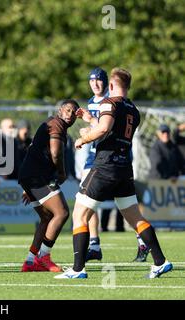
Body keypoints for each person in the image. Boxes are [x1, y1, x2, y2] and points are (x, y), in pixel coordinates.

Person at [56, 68, 173, 279]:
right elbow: (112, 130)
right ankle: (160, 261)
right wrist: (92, 121)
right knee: (135, 217)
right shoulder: (133, 110)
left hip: (105, 165)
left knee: (79, 215)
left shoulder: (109, 103)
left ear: (111, 86)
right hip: (123, 167)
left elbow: (103, 130)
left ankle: (77, 269)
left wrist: (84, 138)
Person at [19, 99, 80, 272]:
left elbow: (35, 149)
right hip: (37, 177)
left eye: (74, 112)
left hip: (29, 176)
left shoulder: (52, 123)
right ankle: (44, 257)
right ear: (60, 111)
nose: (71, 114)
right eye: (68, 110)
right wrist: (62, 172)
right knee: (62, 213)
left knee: (47, 217)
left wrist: (27, 186)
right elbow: (55, 152)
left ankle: (30, 261)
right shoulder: (56, 124)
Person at [80, 68, 126, 265]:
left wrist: (89, 124)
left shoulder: (111, 100)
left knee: (122, 203)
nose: (95, 84)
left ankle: (142, 241)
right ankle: (94, 244)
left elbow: (105, 127)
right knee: (88, 203)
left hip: (109, 158)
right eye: (92, 81)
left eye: (99, 81)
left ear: (107, 83)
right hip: (93, 156)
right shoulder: (91, 101)